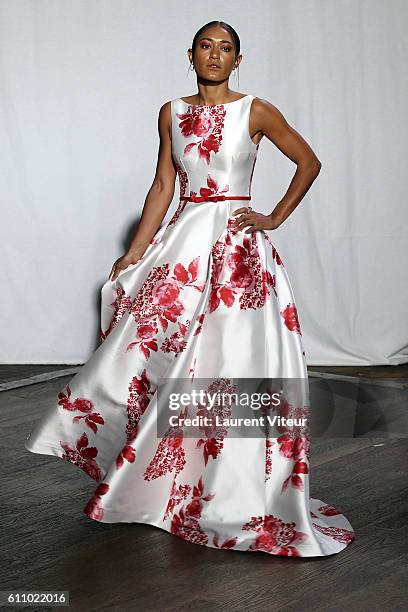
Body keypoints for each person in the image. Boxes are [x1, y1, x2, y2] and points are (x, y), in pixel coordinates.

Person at [25, 20, 355, 557]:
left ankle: (233, 484)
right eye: (207, 46)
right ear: (192, 53)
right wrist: (135, 251)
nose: (215, 55)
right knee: (157, 352)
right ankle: (163, 484)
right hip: (184, 241)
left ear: (238, 59)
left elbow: (308, 162)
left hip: (236, 252)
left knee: (231, 363)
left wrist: (272, 217)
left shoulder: (257, 110)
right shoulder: (171, 113)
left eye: (226, 48)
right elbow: (162, 184)